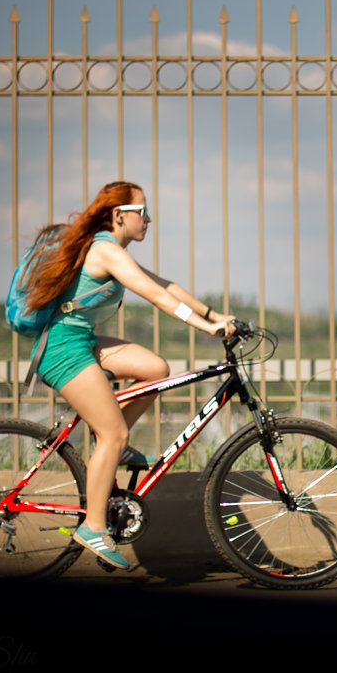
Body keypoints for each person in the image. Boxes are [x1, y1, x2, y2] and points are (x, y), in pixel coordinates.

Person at [22, 181, 235, 569]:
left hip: (81, 341)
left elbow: (164, 285)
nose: (149, 218)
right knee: (114, 432)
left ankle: (113, 446)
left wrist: (214, 315)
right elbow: (155, 297)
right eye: (143, 210)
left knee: (155, 369)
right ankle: (92, 526)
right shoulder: (105, 251)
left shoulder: (113, 250)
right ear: (120, 215)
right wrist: (206, 330)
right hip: (62, 350)